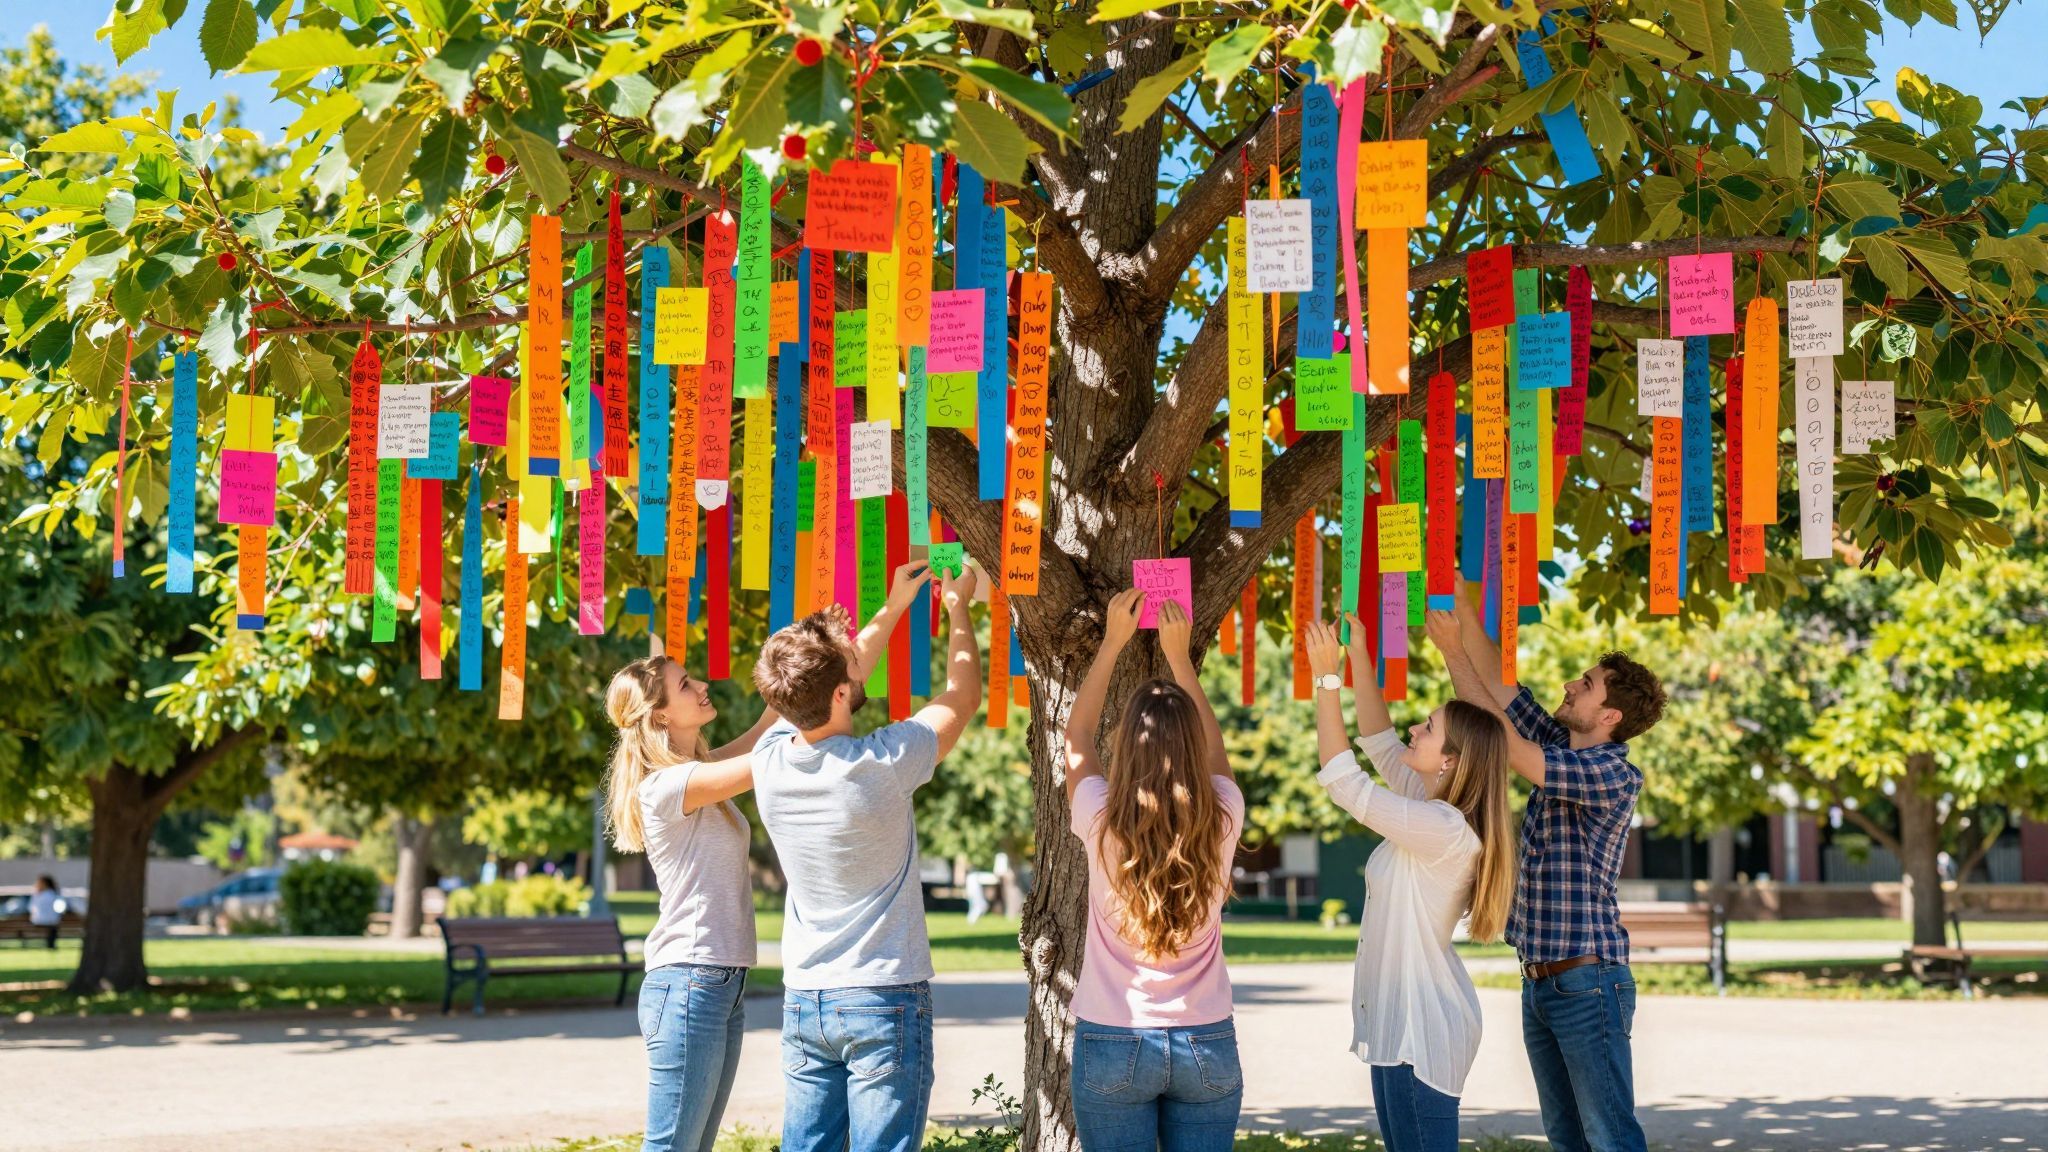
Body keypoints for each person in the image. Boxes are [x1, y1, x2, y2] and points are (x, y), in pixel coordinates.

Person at [751, 560, 984, 1152]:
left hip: (807, 998)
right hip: (884, 996)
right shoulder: (882, 763)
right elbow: (962, 694)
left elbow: (830, 685)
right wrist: (957, 606)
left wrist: (894, 607)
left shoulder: (770, 761)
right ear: (839, 691)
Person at [1424, 587, 1667, 1152]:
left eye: (1584, 684)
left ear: (1609, 715)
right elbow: (1500, 686)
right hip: (1542, 980)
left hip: (1587, 981)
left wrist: (1449, 653)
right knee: (1566, 1138)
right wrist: (1456, 589)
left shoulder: (1612, 775)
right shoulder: (1562, 740)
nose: (1569, 685)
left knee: (1609, 1136)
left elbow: (1506, 746)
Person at [1303, 615, 1516, 1152]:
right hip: (1401, 1026)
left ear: (1450, 760)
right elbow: (1378, 741)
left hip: (1423, 1031)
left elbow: (1345, 783)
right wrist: (1359, 657)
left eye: (1428, 727)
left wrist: (1326, 681)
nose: (1415, 731)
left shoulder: (1443, 827)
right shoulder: (1430, 806)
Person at [1061, 591, 1244, 1152]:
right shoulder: (1223, 814)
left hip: (1114, 1037)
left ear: (1127, 746)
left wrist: (1114, 642)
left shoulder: (1098, 814)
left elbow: (1076, 736)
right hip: (1205, 1040)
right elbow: (1215, 754)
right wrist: (1181, 659)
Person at [604, 655, 779, 1152]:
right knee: (672, 1147)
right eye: (685, 684)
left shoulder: (697, 774)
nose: (701, 684)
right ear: (660, 715)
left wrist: (825, 650)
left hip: (720, 981)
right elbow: (769, 757)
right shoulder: (666, 787)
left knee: (693, 1146)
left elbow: (767, 731)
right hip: (690, 982)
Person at [29, 875, 64, 948]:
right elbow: (60, 908)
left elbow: (30, 908)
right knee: (53, 927)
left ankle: (50, 945)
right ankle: (51, 945)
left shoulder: (37, 895)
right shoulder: (55, 894)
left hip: (38, 920)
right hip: (52, 921)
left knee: (52, 926)